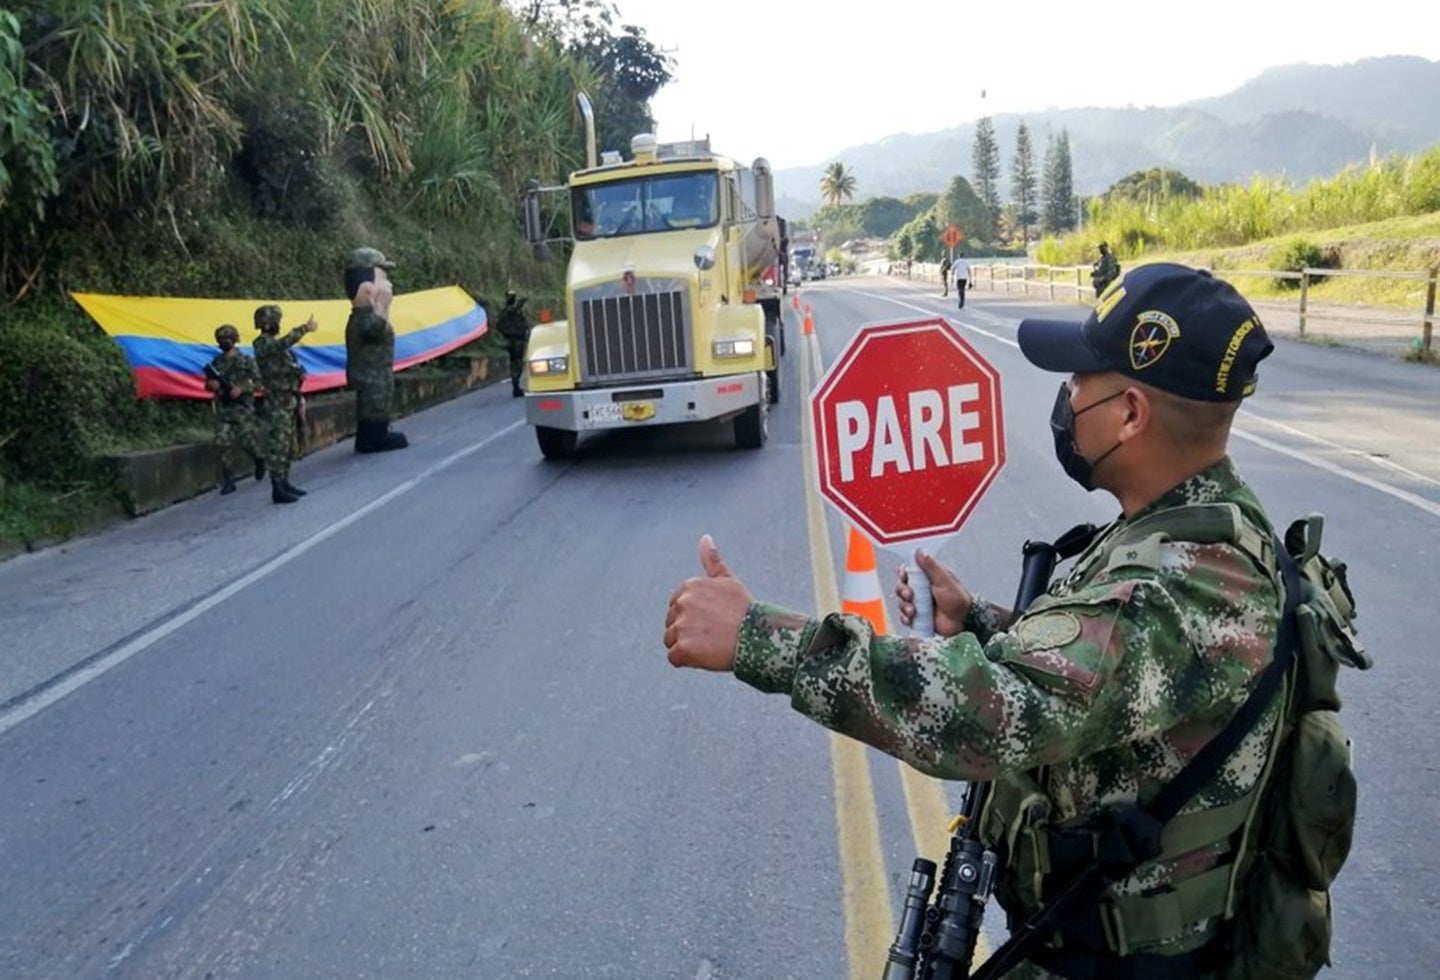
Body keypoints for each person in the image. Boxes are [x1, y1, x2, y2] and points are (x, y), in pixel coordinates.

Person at [663, 263, 1283, 977]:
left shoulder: (1190, 585)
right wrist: (984, 624)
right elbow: (1108, 675)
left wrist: (762, 639)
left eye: (1081, 380)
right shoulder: (1188, 530)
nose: (1067, 397)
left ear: (1132, 414)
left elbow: (988, 717)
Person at [343, 246, 409, 453]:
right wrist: (382, 305)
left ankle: (371, 434)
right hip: (372, 377)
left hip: (375, 375)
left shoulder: (361, 319)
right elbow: (378, 329)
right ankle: (374, 438)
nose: (388, 284)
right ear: (366, 288)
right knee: (374, 404)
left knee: (376, 403)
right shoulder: (365, 320)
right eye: (383, 278)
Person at [253, 304, 318, 504]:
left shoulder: (275, 345)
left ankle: (285, 482)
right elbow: (282, 344)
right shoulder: (262, 344)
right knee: (277, 444)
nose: (278, 324)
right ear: (266, 323)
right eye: (275, 321)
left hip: (289, 397)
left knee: (287, 442)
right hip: (276, 401)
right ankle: (277, 487)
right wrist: (305, 328)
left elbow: (289, 365)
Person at [203, 324, 267, 495]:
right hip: (224, 409)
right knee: (222, 442)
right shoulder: (216, 363)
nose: (224, 342)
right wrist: (212, 385)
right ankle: (228, 481)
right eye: (221, 339)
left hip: (243, 407)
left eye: (227, 338)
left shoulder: (246, 360)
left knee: (246, 440)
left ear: (234, 339)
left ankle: (259, 458)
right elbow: (208, 384)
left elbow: (259, 382)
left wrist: (242, 388)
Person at [495, 291, 531, 398]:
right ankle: (516, 386)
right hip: (515, 340)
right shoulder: (510, 311)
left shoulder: (510, 312)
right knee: (517, 364)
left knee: (515, 363)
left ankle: (516, 385)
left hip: (513, 340)